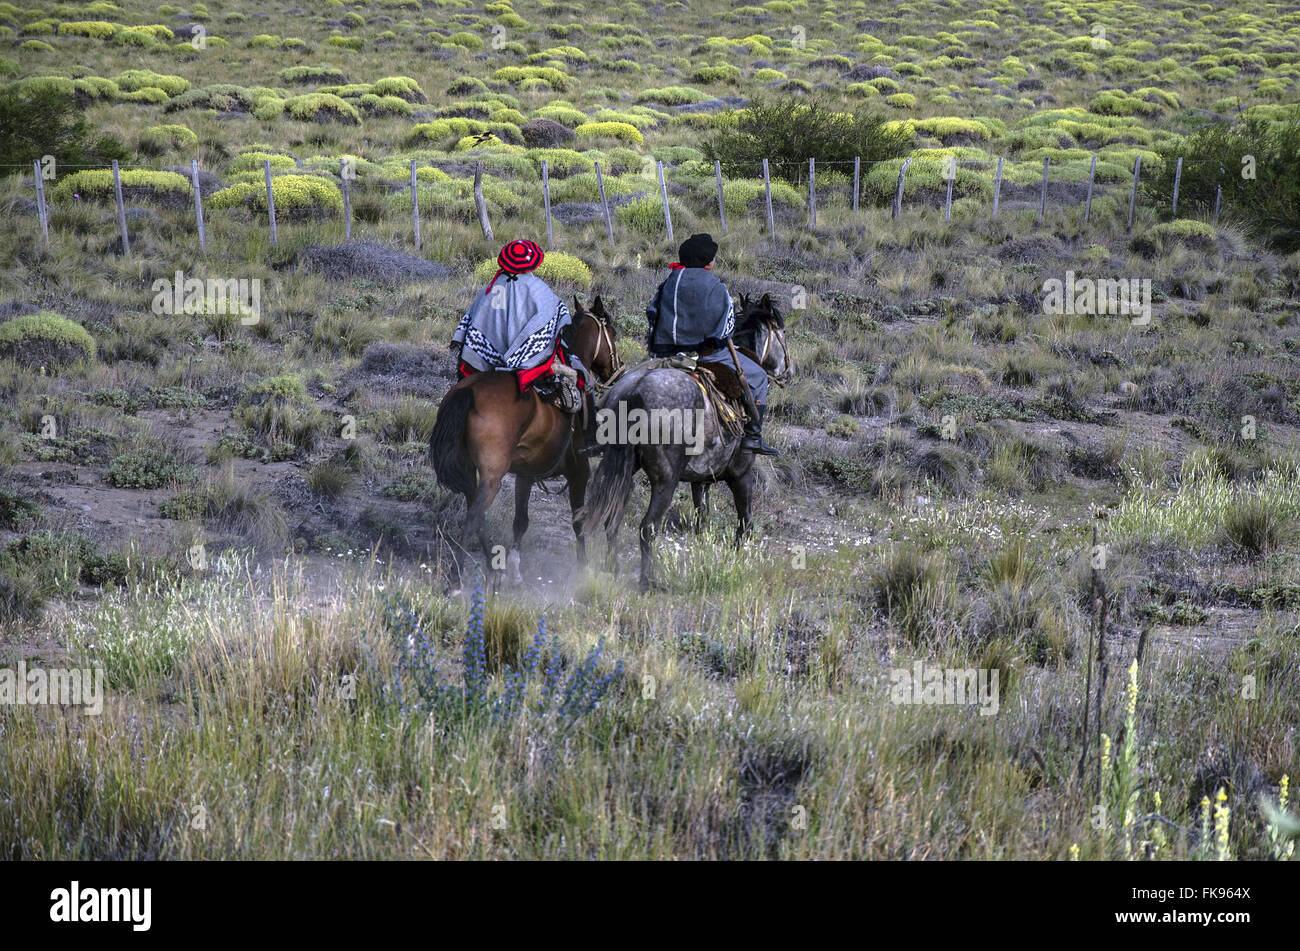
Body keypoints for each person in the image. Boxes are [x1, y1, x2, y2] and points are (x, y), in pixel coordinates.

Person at [645, 233, 779, 455]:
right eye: (713, 257)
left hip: (666, 354)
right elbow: (727, 326)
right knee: (758, 376)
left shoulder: (670, 281)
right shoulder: (717, 286)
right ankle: (753, 437)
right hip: (707, 355)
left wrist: (661, 345)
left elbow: (652, 314)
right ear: (707, 260)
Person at [451, 239, 595, 441]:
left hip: (487, 361)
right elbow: (557, 319)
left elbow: (471, 324)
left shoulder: (488, 289)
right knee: (577, 372)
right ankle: (587, 437)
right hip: (527, 362)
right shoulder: (537, 288)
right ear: (533, 263)